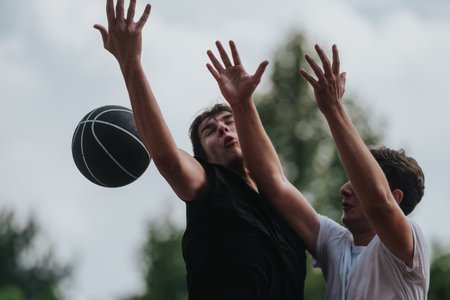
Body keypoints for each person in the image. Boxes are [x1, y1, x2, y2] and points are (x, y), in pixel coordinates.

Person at [94, 1, 306, 299]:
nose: (222, 129)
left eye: (230, 122)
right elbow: (168, 159)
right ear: (202, 158)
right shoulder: (212, 185)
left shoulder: (284, 206)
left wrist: (242, 104)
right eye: (209, 130)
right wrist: (131, 62)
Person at [206, 42, 430, 299]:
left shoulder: (409, 248)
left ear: (396, 198)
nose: (344, 189)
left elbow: (379, 203)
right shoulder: (336, 244)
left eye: (357, 183)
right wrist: (242, 104)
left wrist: (334, 109)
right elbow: (275, 182)